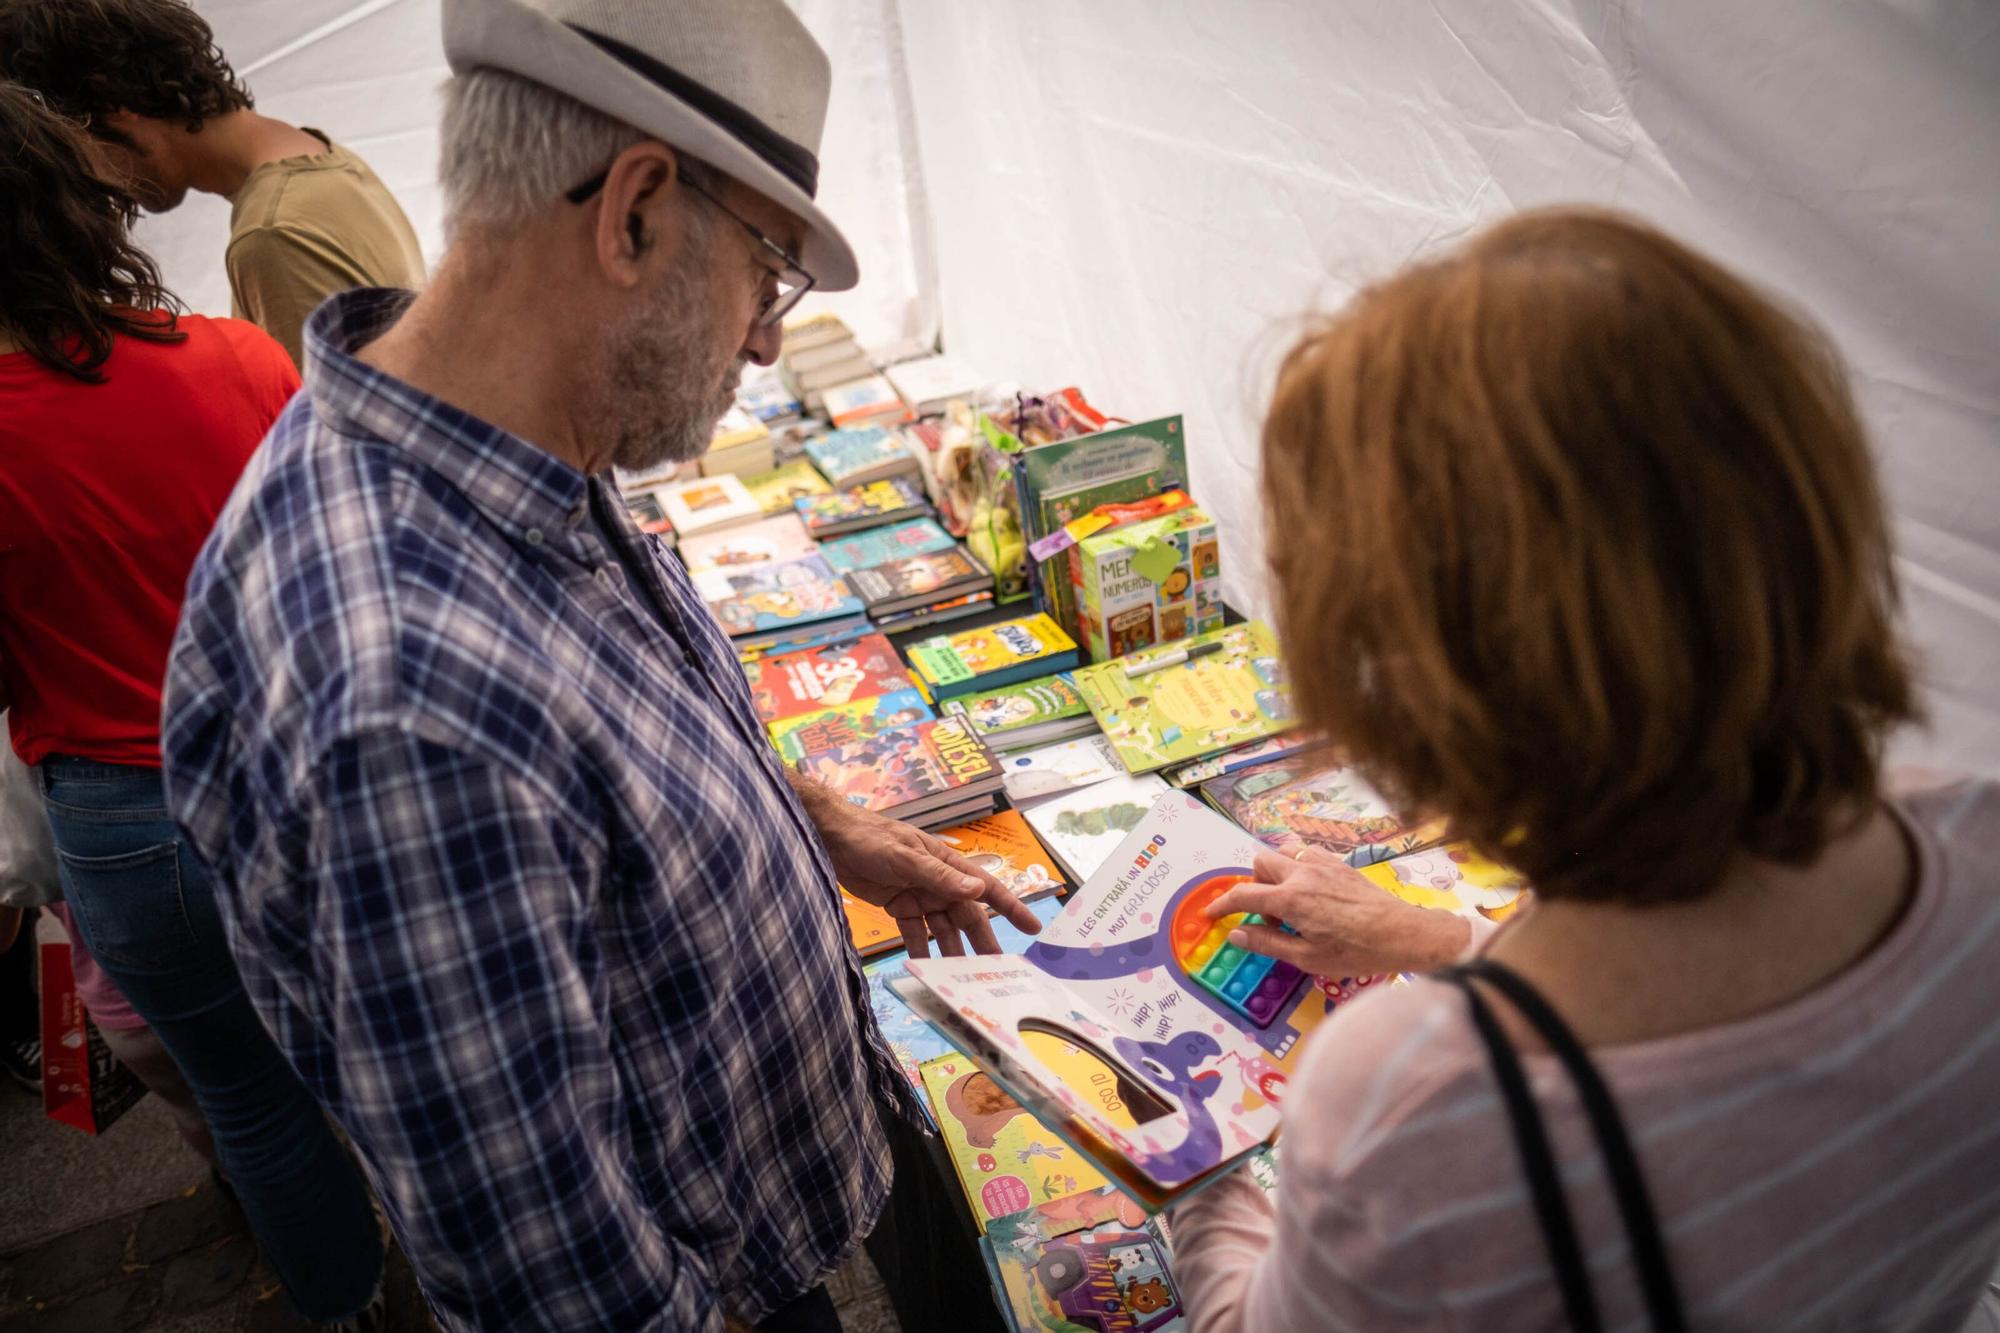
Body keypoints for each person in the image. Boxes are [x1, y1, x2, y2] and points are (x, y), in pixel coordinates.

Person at [158, 3, 1034, 1330]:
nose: (764, 340)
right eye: (765, 274)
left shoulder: (506, 434)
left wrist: (828, 830)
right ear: (631, 214)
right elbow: (555, 1277)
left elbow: (612, 755)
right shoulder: (406, 703)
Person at [1164, 208, 2000, 1330]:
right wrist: (1438, 941)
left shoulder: (1409, 1105)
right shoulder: (1971, 842)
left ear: (1426, 673)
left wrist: (1180, 1140)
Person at [0, 83, 385, 1328]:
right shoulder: (239, 361)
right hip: (302, 776)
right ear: (81, 200)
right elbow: (338, 569)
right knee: (395, 1059)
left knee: (250, 1104)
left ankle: (352, 1308)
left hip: (125, 821)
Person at [0, 0, 425, 367]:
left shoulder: (273, 234)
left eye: (77, 150)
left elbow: (324, 443)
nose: (93, 180)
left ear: (112, 104)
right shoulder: (320, 156)